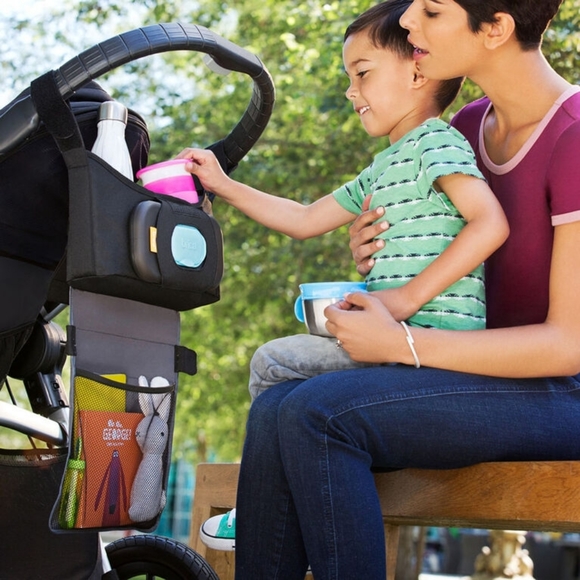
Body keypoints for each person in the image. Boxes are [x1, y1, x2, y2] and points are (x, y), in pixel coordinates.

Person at [221, 0, 580, 578]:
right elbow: (429, 239)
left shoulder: (574, 137)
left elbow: (569, 346)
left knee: (317, 413)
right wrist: (375, 245)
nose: (409, 19)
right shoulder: (461, 130)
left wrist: (403, 340)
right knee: (273, 407)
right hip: (464, 375)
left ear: (495, 28)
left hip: (559, 394)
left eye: (431, 10)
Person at [179, 0, 508, 407]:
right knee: (290, 380)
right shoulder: (381, 169)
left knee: (271, 362)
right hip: (390, 341)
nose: (351, 91)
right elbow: (303, 218)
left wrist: (405, 299)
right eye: (349, 78)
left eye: (363, 73)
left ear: (418, 72)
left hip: (430, 345)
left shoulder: (434, 141)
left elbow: (490, 223)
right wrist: (223, 184)